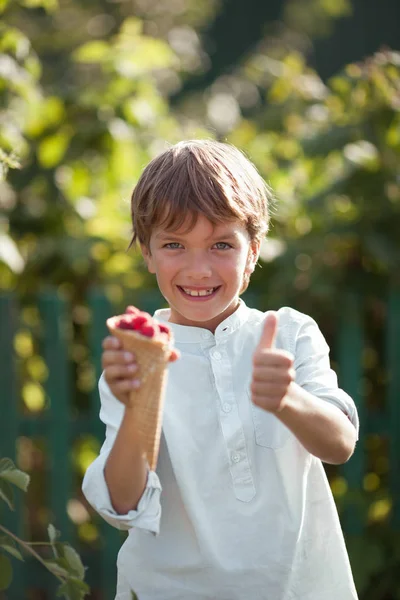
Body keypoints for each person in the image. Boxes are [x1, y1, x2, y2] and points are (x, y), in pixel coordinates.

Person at [82, 139, 359, 600]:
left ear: (252, 251)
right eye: (174, 244)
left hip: (300, 588)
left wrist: (287, 398)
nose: (198, 269)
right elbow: (123, 504)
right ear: (147, 253)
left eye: (221, 245)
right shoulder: (137, 356)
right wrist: (138, 405)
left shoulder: (290, 333)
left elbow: (340, 444)